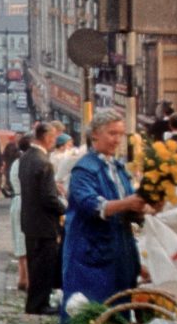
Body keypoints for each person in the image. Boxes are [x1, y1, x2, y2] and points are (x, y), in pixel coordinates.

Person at [62, 108, 147, 305]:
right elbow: (92, 205)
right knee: (92, 315)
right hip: (91, 255)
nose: (117, 140)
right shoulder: (84, 169)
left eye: (120, 134)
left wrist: (143, 209)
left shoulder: (117, 167)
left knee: (119, 312)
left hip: (119, 250)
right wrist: (128, 203)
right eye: (112, 133)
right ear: (95, 135)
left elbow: (127, 206)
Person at [18, 122, 66, 317]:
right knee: (44, 266)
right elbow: (47, 197)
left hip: (30, 220)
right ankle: (40, 303)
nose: (54, 142)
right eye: (53, 138)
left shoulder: (27, 157)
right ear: (47, 138)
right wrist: (64, 209)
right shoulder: (44, 162)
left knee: (34, 264)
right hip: (45, 222)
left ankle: (34, 303)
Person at [9, 134, 32, 291]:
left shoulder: (16, 163)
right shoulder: (28, 163)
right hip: (27, 202)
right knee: (28, 240)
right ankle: (28, 278)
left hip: (16, 201)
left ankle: (21, 276)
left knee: (19, 238)